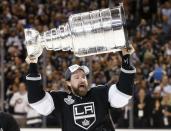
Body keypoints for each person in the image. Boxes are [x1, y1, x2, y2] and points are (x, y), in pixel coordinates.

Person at [25, 45, 136, 131]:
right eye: (77, 77)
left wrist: (126, 58)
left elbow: (123, 94)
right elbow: (36, 99)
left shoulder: (101, 93)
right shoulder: (60, 100)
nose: (82, 79)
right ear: (68, 83)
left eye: (83, 77)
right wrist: (33, 65)